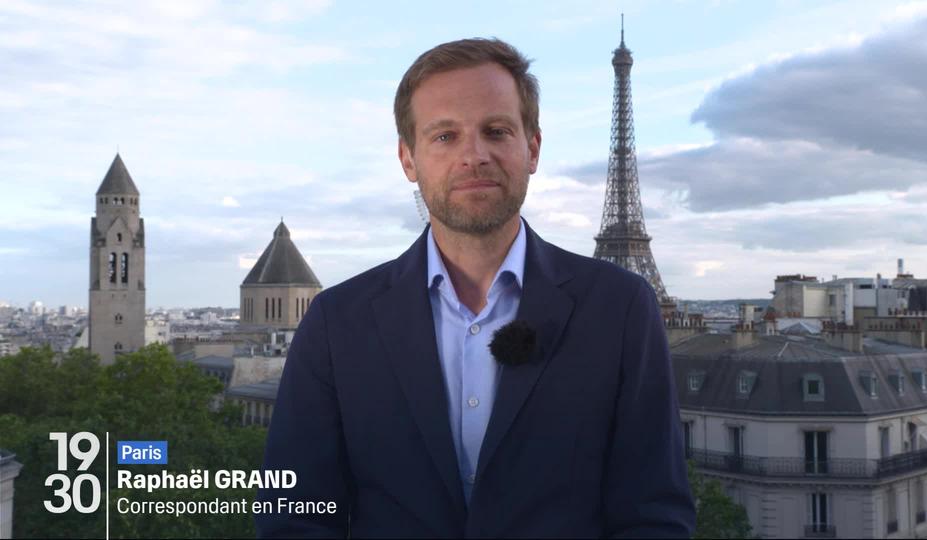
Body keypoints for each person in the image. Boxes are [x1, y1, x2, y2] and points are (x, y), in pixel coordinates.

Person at [256, 38, 695, 538]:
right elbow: (295, 516)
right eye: (445, 136)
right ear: (408, 159)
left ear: (532, 148)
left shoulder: (620, 309)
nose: (474, 155)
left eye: (496, 130)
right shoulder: (335, 323)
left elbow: (653, 514)